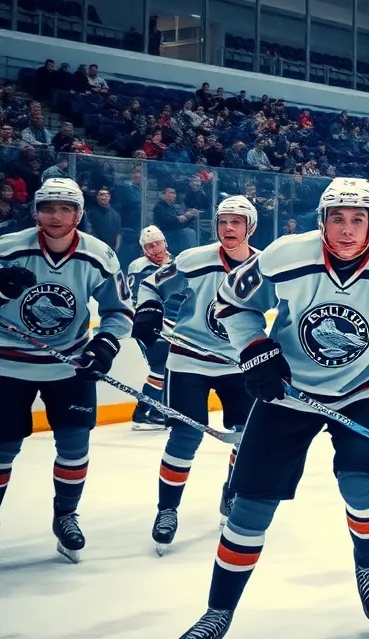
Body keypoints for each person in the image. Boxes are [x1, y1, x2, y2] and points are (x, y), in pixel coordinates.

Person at [178, 178, 369, 638]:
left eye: (357, 220)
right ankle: (218, 611)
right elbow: (233, 303)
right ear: (322, 222)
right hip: (290, 392)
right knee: (249, 504)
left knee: (361, 483)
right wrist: (253, 346)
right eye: (337, 219)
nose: (346, 230)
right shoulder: (285, 256)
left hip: (365, 389)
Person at [0, 178, 132, 561]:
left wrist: (104, 345)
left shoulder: (99, 255)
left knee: (74, 446)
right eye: (47, 207)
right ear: (35, 211)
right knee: (4, 449)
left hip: (68, 365)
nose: (55, 217)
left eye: (65, 209)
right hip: (9, 365)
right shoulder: (8, 248)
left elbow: (119, 310)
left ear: (79, 214)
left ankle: (66, 516)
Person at [132, 197, 260, 553]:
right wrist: (150, 308)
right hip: (188, 360)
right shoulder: (194, 260)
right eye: (223, 222)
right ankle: (167, 510)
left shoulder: (266, 267)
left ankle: (231, 494)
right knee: (185, 436)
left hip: (239, 364)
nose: (229, 228)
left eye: (237, 222)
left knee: (244, 437)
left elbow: (285, 312)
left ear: (250, 227)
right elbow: (151, 285)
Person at [127, 225, 173, 430]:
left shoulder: (176, 262)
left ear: (165, 242)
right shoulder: (140, 267)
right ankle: (145, 410)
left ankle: (154, 410)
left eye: (157, 243)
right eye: (149, 246)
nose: (155, 249)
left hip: (173, 325)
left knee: (169, 368)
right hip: (150, 325)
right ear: (143, 249)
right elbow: (139, 300)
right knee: (161, 367)